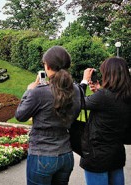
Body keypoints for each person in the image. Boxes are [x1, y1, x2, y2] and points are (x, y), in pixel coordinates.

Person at [15, 46, 81, 185]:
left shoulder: (38, 92)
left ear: (48, 66)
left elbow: (20, 116)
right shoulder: (76, 89)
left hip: (42, 155)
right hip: (66, 155)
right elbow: (74, 114)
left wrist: (29, 91)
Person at [80, 57, 131, 185]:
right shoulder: (127, 96)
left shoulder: (103, 97)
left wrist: (84, 81)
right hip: (116, 155)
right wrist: (99, 90)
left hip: (97, 157)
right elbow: (111, 104)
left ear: (109, 74)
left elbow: (78, 102)